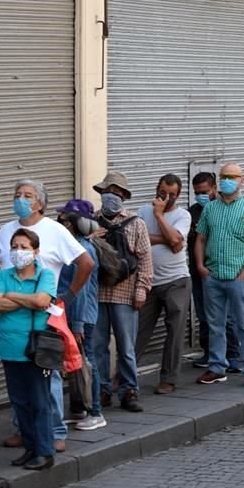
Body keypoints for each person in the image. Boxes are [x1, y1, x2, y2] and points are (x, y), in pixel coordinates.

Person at [0, 179, 94, 452]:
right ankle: (24, 430)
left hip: (44, 314)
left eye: (27, 195)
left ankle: (55, 431)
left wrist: (67, 295)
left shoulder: (55, 231)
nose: (20, 199)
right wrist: (1, 287)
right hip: (13, 318)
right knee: (19, 380)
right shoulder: (6, 230)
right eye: (17, 194)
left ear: (40, 203)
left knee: (48, 373)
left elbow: (86, 263)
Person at [0, 228, 58, 471]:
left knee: (39, 401)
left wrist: (12, 295)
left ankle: (45, 451)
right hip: (9, 349)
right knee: (19, 402)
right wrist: (24, 298)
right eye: (14, 247)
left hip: (37, 351)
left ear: (36, 251)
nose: (18, 252)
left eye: (24, 247)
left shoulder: (45, 275)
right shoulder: (4, 275)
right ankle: (30, 448)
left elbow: (43, 301)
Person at [194, 162, 244, 389]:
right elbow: (201, 239)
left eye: (233, 177)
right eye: (224, 176)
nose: (228, 180)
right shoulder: (210, 209)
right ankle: (217, 367)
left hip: (238, 277)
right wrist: (200, 266)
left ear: (241, 181)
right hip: (213, 276)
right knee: (215, 324)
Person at [93, 171, 153, 413]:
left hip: (126, 295)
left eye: (117, 192)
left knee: (126, 347)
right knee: (97, 346)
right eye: (108, 191)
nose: (111, 196)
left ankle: (129, 390)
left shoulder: (136, 223)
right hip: (96, 295)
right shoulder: (90, 222)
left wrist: (142, 290)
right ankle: (101, 391)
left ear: (124, 197)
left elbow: (145, 259)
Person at [135, 174, 192, 395]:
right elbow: (139, 239)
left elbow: (178, 240)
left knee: (175, 331)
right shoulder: (142, 211)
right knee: (139, 330)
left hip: (176, 280)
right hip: (148, 281)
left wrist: (159, 216)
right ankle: (124, 376)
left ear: (178, 195)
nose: (166, 198)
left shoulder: (183, 215)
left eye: (171, 195)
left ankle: (169, 378)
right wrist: (167, 238)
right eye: (162, 193)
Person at [55, 199, 104, 432]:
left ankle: (95, 411)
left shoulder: (82, 251)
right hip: (71, 316)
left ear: (75, 224)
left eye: (64, 219)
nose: (60, 223)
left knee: (87, 363)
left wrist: (77, 325)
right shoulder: (74, 245)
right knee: (74, 364)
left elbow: (81, 291)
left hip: (82, 317)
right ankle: (79, 410)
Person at [189, 172, 242, 366]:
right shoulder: (193, 212)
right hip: (199, 272)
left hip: (222, 271)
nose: (201, 195)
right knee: (204, 315)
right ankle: (210, 353)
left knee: (226, 316)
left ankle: (233, 354)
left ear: (213, 188)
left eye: (204, 191)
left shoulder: (224, 208)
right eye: (197, 192)